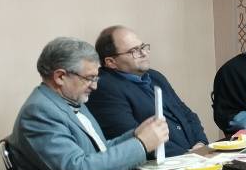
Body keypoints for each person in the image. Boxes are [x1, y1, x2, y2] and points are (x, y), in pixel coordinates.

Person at [9, 37, 169, 170]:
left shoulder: (70, 99)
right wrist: (141, 144)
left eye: (96, 78)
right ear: (60, 76)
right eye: (89, 78)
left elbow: (100, 150)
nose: (94, 86)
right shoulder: (39, 112)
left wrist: (135, 135)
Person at [87, 25, 208, 157]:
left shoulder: (155, 76)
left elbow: (186, 114)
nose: (144, 53)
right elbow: (134, 138)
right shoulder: (105, 87)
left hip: (192, 156)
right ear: (111, 62)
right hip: (163, 164)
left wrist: (200, 143)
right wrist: (186, 156)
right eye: (134, 51)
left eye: (143, 47)